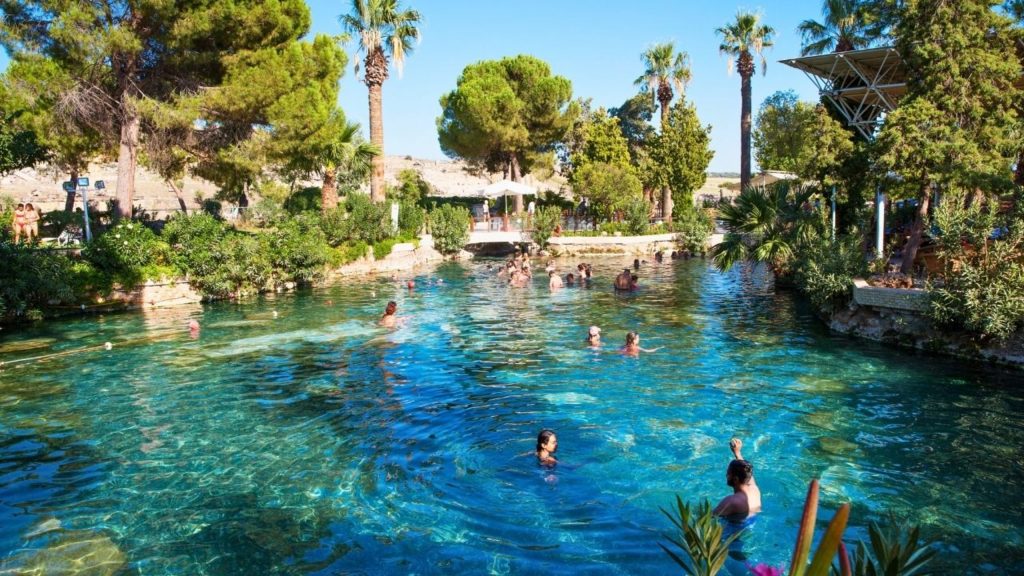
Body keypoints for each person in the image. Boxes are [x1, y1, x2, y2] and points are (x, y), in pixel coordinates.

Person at [713, 438, 761, 520]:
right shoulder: (755, 490)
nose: (726, 475)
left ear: (735, 479)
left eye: (728, 473)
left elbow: (707, 517)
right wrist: (737, 452)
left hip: (733, 528)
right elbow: (747, 471)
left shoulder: (732, 502)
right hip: (751, 524)